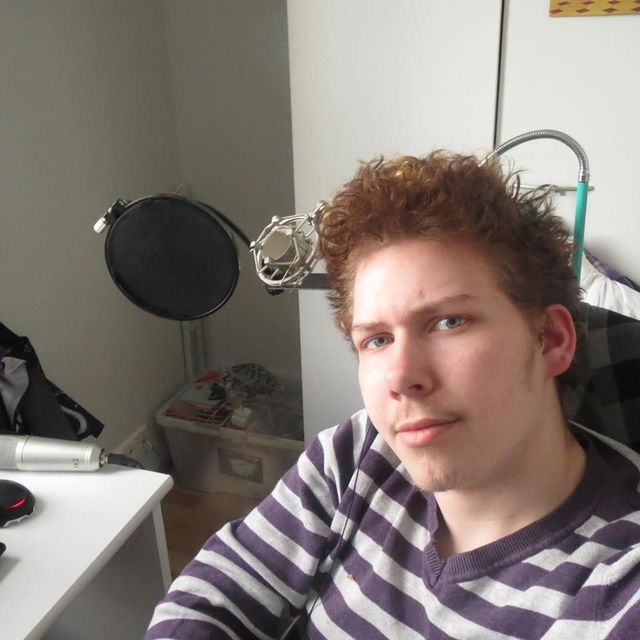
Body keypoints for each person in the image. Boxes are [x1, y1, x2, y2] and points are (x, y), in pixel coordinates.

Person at [145, 152, 640, 639]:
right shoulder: (360, 451)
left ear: (550, 339)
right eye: (377, 340)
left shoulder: (618, 589)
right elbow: (216, 591)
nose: (401, 377)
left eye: (449, 322)